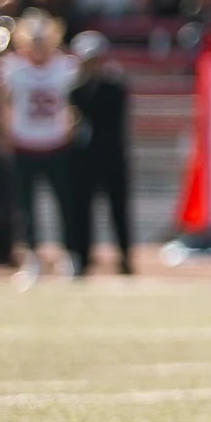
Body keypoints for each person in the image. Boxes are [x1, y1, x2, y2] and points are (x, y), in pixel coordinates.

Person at [0, 12, 81, 287]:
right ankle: (31, 259)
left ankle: (68, 255)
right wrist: (4, 133)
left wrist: (70, 129)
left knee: (66, 204)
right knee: (24, 208)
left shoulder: (66, 66)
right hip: (24, 141)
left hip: (56, 141)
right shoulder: (12, 66)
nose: (38, 45)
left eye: (43, 39)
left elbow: (74, 105)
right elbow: (3, 103)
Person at [67, 32, 134, 276]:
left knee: (118, 210)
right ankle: (82, 257)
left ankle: (125, 256)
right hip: (83, 159)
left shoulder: (114, 88)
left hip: (111, 157)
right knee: (81, 210)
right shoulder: (74, 89)